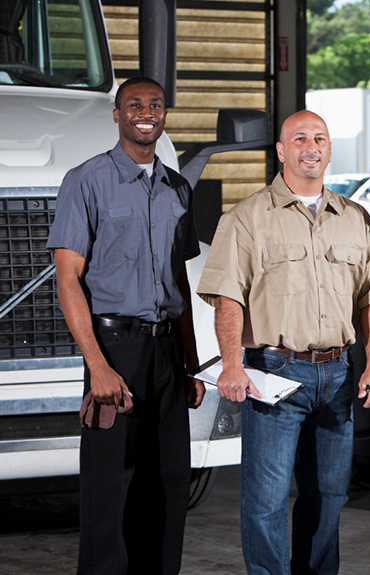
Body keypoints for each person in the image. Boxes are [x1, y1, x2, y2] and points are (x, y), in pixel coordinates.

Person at [196, 110, 370, 575]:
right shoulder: (247, 218)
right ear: (282, 151)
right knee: (266, 499)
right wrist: (232, 364)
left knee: (329, 494)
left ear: (329, 149)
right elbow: (227, 297)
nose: (312, 147)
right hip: (274, 372)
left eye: (320, 138)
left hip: (339, 374)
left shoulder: (356, 218)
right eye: (301, 138)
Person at [47, 76, 205, 575]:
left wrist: (192, 364)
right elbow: (68, 278)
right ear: (116, 115)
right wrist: (97, 365)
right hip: (114, 348)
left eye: (155, 105)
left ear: (164, 115)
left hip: (167, 354)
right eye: (134, 104)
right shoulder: (86, 180)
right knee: (110, 485)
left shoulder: (177, 187)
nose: (146, 112)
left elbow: (178, 279)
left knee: (168, 481)